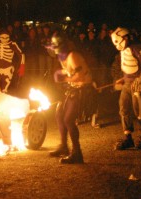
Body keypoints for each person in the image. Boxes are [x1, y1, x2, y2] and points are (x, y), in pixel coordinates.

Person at [48, 31, 93, 164]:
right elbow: (70, 71)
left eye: (55, 46)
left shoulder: (73, 56)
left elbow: (80, 75)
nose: (53, 49)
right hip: (73, 88)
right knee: (59, 113)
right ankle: (63, 146)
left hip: (83, 89)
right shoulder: (64, 57)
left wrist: (64, 78)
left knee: (68, 119)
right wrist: (61, 72)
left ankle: (77, 153)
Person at [111, 27, 141, 150]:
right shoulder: (123, 50)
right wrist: (122, 78)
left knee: (138, 111)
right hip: (126, 84)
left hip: (136, 85)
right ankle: (128, 138)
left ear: (125, 38)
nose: (117, 44)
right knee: (123, 109)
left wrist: (140, 79)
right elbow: (127, 67)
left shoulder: (136, 47)